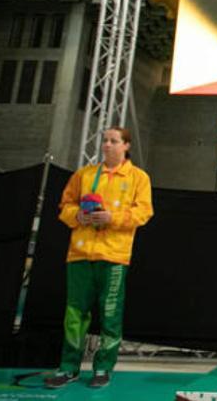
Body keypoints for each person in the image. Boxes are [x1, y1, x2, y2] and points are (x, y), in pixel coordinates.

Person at [45, 127, 153, 389]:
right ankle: (68, 368)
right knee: (74, 314)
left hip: (114, 256)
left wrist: (111, 218)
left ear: (126, 146)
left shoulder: (138, 177)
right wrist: (77, 216)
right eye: (104, 140)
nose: (106, 145)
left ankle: (103, 368)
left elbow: (144, 213)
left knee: (110, 314)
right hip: (80, 254)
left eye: (113, 141)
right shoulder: (84, 175)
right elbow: (65, 205)